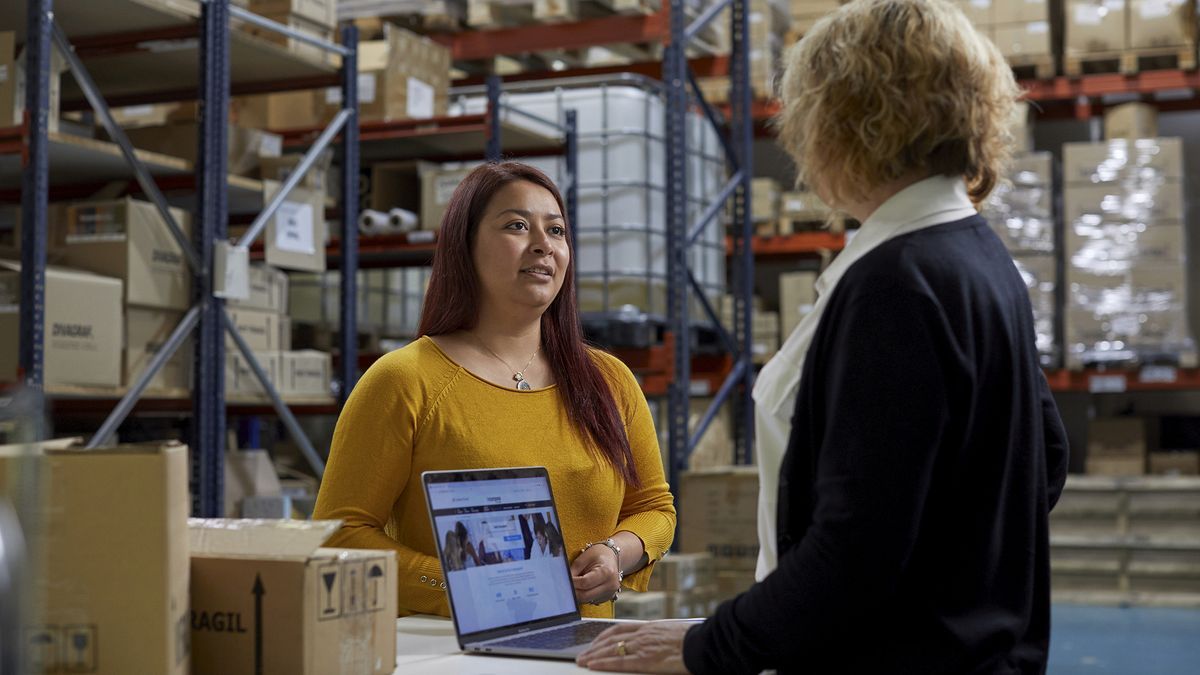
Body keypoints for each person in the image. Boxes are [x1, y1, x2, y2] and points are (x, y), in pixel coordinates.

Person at [577, 0, 1069, 672]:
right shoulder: (975, 254)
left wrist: (708, 646)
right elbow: (1043, 456)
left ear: (845, 119)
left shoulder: (897, 280)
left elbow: (857, 546)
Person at [313, 161, 677, 619]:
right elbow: (340, 535)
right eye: (517, 226)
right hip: (450, 657)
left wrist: (616, 554)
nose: (544, 245)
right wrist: (470, 588)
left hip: (580, 655)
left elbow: (654, 509)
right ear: (465, 247)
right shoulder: (404, 381)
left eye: (558, 230)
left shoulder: (609, 381)